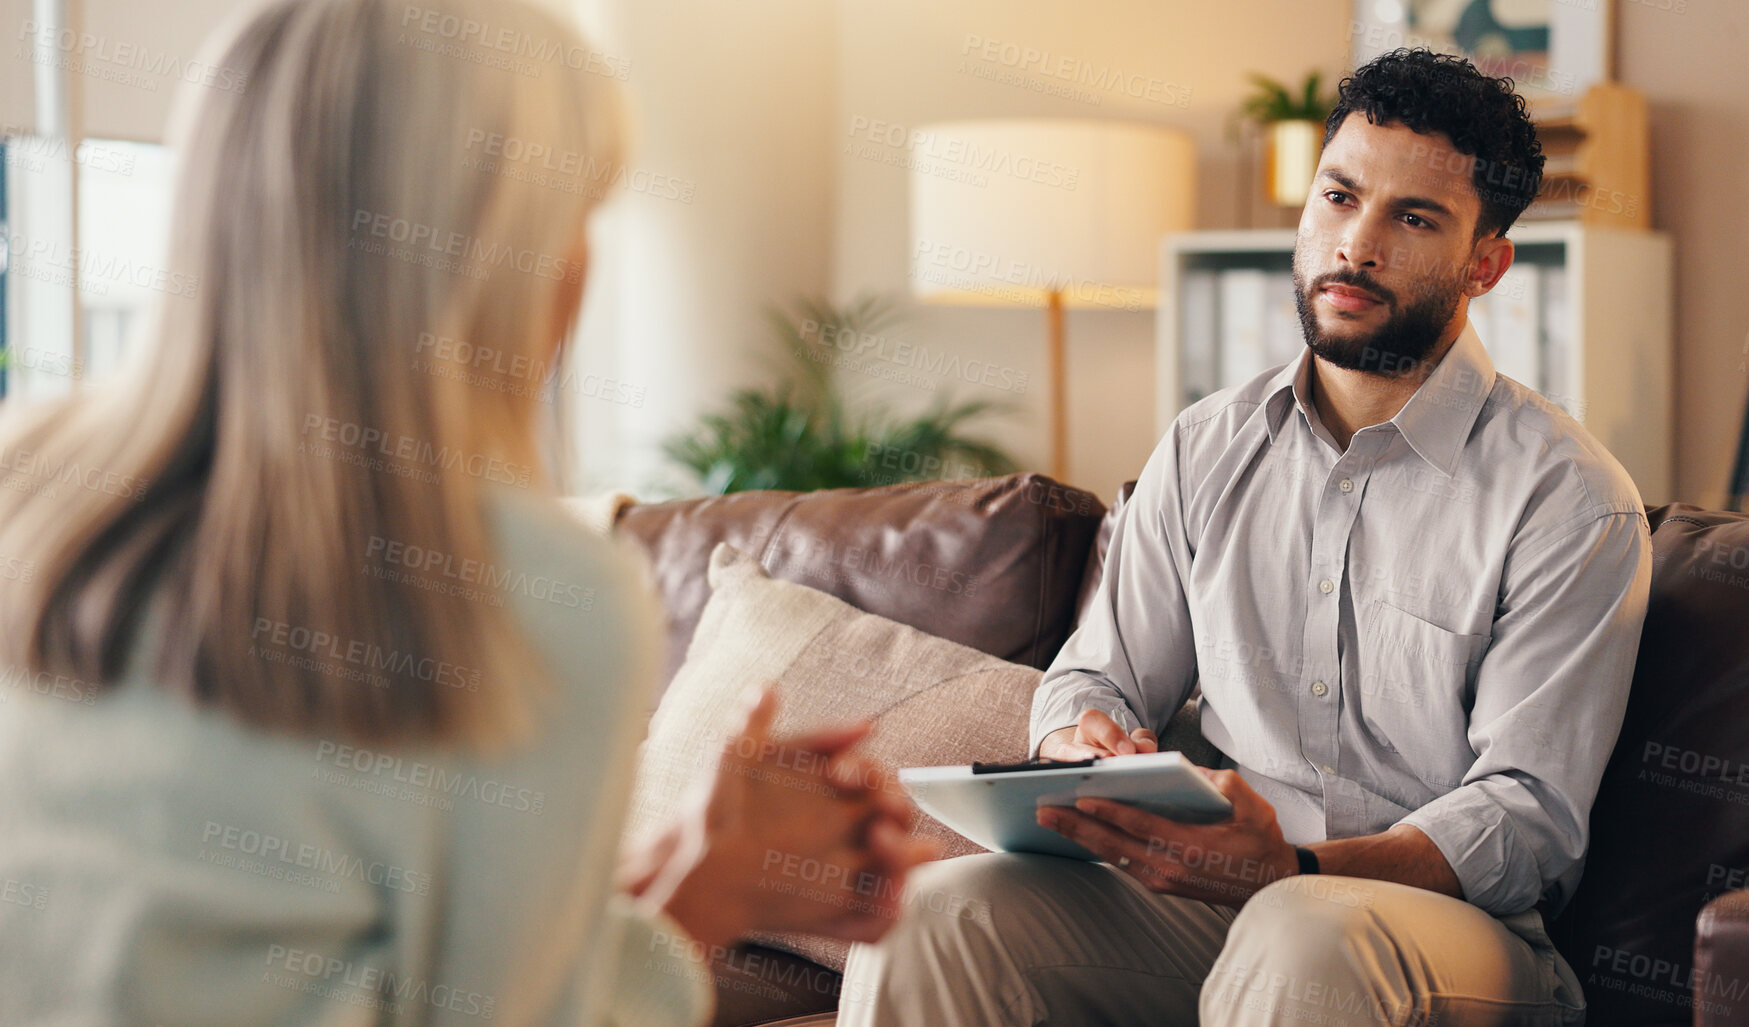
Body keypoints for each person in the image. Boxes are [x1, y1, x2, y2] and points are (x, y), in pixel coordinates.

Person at [0, 0, 932, 1023]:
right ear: (505, 252)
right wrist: (715, 892)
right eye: (576, 215)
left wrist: (679, 864)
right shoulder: (523, 588)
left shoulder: (28, 482)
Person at [837, 49, 1651, 1027]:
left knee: (1301, 933)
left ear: (1486, 262)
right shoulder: (1204, 446)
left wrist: (1299, 867)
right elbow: (1092, 673)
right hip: (1206, 902)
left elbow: (1529, 817)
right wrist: (1074, 736)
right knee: (935, 911)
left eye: (1414, 216)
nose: (1357, 244)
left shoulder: (1569, 500)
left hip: (1440, 926)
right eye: (1340, 196)